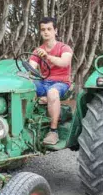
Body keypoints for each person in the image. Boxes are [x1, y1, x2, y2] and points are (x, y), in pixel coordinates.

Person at [29, 17, 73, 145]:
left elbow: (64, 62)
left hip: (61, 83)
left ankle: (53, 131)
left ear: (55, 31)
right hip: (44, 82)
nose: (46, 32)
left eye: (49, 29)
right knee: (24, 87)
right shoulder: (37, 51)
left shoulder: (64, 48)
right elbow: (31, 67)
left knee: (52, 92)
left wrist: (47, 56)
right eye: (43, 29)